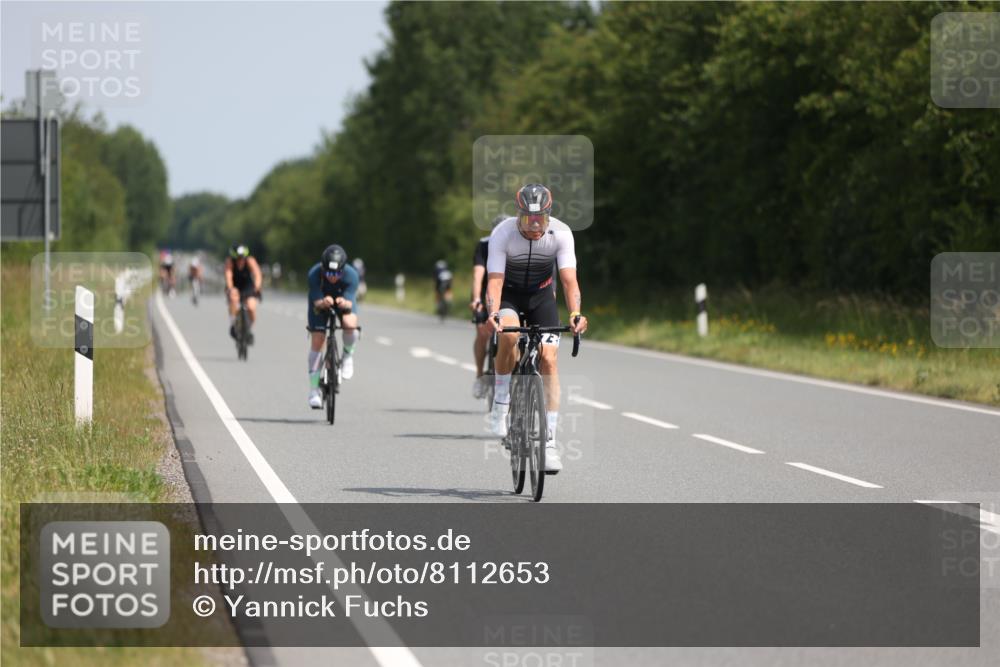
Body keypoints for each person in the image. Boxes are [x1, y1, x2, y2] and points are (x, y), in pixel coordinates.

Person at [485, 184, 589, 473]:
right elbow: (494, 280)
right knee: (510, 334)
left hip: (542, 296)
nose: (533, 225)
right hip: (509, 294)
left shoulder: (562, 233)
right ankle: (501, 402)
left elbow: (569, 281)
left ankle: (550, 443)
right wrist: (493, 312)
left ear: (549, 215)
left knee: (549, 358)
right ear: (518, 214)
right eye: (528, 218)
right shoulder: (502, 233)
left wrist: (576, 313)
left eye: (540, 219)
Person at [306, 244, 361, 409]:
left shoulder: (351, 275)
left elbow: (350, 299)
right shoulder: (314, 274)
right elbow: (316, 301)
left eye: (337, 273)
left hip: (341, 302)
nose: (332, 277)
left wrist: (344, 302)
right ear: (323, 268)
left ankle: (347, 356)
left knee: (349, 323)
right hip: (320, 303)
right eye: (329, 273)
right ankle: (314, 390)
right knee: (318, 340)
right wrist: (323, 302)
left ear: (343, 270)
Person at [469, 215, 506, 398]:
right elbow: (478, 274)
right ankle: (479, 375)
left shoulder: (516, 242)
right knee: (482, 333)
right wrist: (476, 298)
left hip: (508, 294)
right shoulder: (484, 245)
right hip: (486, 294)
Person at [224, 244, 263, 342]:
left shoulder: (250, 261)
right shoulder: (230, 262)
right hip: (235, 285)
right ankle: (233, 324)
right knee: (233, 299)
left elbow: (257, 274)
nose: (240, 260)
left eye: (242, 258)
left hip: (248, 286)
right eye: (238, 258)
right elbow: (228, 276)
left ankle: (248, 329)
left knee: (251, 307)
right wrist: (230, 288)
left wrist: (257, 287)